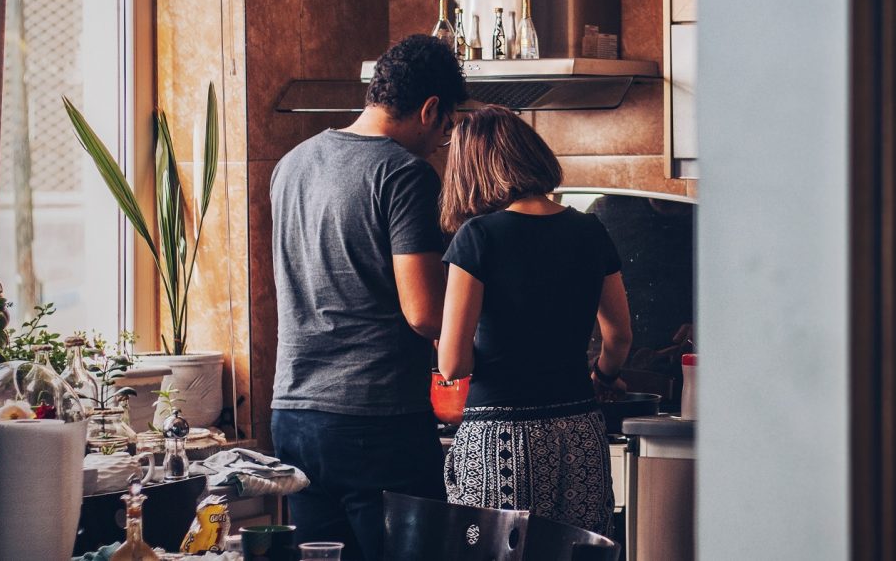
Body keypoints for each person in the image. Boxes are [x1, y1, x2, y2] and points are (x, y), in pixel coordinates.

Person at [269, 35, 467, 560]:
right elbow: (425, 314)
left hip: (293, 413)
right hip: (373, 420)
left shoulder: (291, 164)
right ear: (430, 110)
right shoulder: (404, 174)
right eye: (446, 130)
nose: (440, 143)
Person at [437, 105, 633, 536]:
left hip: (500, 438)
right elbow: (618, 335)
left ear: (471, 169)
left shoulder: (479, 236)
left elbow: (453, 365)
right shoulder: (590, 230)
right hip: (579, 430)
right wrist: (602, 376)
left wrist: (451, 345)